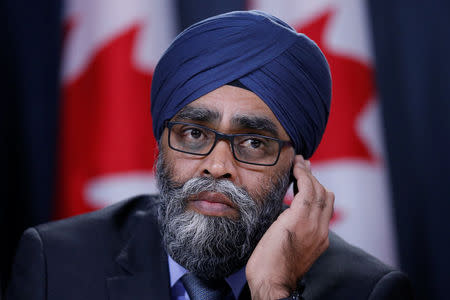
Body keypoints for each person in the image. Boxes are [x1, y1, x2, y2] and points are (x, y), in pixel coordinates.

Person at [5, 11, 413, 300]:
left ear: (297, 168)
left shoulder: (369, 291)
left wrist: (273, 291)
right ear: (160, 141)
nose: (217, 166)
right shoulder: (55, 264)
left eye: (253, 143)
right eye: (194, 133)